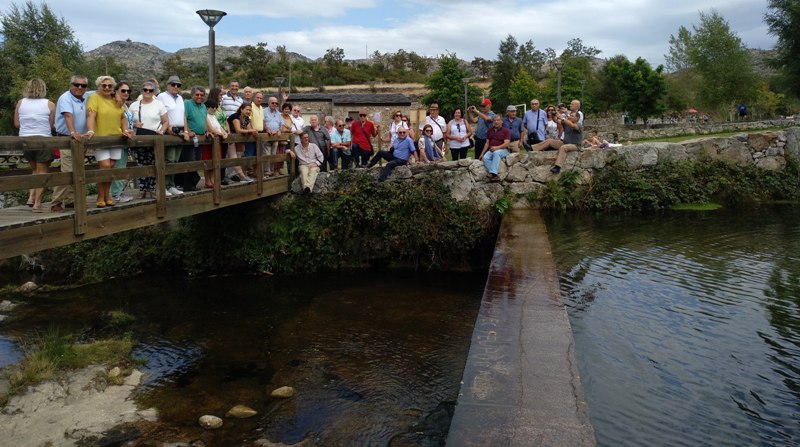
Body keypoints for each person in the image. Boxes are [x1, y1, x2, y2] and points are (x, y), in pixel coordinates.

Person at [86, 75, 133, 208]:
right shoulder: (94, 98)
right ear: (99, 86)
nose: (107, 88)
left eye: (110, 86)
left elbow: (123, 117)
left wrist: (125, 130)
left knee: (111, 167)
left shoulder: (116, 100)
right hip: (101, 139)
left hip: (116, 138)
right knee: (105, 166)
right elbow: (91, 114)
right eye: (104, 85)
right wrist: (90, 130)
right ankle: (100, 196)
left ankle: (107, 195)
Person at [14, 78, 55, 212]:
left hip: (25, 140)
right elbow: (51, 126)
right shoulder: (49, 104)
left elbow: (17, 124)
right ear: (43, 88)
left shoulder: (20, 103)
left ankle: (31, 197)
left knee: (35, 170)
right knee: (42, 172)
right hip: (43, 140)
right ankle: (37, 203)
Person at [52, 75, 90, 212]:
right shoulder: (65, 98)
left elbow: (102, 91)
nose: (79, 87)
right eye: (76, 84)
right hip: (67, 139)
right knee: (67, 171)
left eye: (83, 85)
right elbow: (68, 115)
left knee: (78, 170)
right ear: (70, 85)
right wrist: (73, 132)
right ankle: (55, 201)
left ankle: (70, 201)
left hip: (80, 140)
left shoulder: (87, 97)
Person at [129, 79, 169, 198]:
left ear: (153, 92)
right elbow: (127, 121)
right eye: (145, 90)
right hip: (140, 138)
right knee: (141, 164)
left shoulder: (159, 104)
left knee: (153, 163)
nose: (148, 92)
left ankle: (152, 188)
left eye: (150, 90)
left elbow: (166, 121)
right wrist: (135, 125)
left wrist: (162, 131)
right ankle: (142, 188)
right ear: (141, 91)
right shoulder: (134, 105)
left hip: (154, 137)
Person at [156, 75, 185, 196]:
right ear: (168, 85)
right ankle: (164, 186)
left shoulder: (180, 98)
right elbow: (160, 113)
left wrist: (186, 130)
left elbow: (183, 115)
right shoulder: (162, 96)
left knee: (176, 160)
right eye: (173, 84)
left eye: (178, 85)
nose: (176, 87)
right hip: (169, 132)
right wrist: (167, 128)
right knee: (169, 159)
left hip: (180, 132)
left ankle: (171, 185)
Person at [110, 81, 134, 203]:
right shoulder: (114, 104)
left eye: (128, 91)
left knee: (122, 165)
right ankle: (115, 194)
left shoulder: (125, 105)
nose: (126, 93)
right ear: (116, 91)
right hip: (118, 139)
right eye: (123, 90)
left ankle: (117, 192)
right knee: (118, 166)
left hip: (126, 139)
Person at [182, 86, 208, 191]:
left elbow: (205, 121)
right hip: (191, 137)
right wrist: (187, 131)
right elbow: (184, 118)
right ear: (192, 95)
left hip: (200, 138)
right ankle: (188, 186)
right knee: (190, 161)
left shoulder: (203, 107)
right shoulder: (187, 104)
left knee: (197, 161)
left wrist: (207, 131)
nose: (199, 97)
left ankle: (192, 184)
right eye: (197, 94)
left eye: (202, 95)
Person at [227, 102, 259, 182]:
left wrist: (254, 132)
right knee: (232, 157)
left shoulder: (247, 119)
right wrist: (251, 130)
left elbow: (249, 129)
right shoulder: (236, 117)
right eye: (247, 109)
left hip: (238, 140)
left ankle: (233, 175)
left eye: (250, 110)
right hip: (229, 138)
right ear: (241, 109)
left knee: (239, 156)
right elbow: (238, 130)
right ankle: (241, 176)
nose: (248, 112)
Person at [202, 98, 230, 188]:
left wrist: (225, 133)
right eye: (212, 106)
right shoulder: (205, 115)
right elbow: (211, 129)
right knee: (208, 162)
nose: (214, 108)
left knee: (216, 161)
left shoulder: (214, 116)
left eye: (215, 107)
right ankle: (207, 181)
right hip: (209, 143)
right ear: (207, 107)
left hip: (217, 143)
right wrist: (222, 134)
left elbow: (219, 127)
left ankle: (213, 180)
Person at [479, 115, 510, 182]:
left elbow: (507, 143)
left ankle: (492, 173)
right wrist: (482, 153)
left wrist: (497, 148)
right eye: (495, 120)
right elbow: (487, 143)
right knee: (485, 158)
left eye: (498, 120)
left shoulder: (505, 131)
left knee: (496, 153)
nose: (496, 122)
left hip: (503, 150)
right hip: (492, 150)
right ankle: (495, 175)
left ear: (502, 121)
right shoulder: (490, 130)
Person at [263, 96, 283, 177]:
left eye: (276, 103)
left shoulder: (278, 113)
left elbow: (281, 124)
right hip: (267, 136)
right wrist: (267, 129)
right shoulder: (264, 111)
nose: (274, 104)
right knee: (267, 154)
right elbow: (262, 121)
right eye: (272, 102)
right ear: (268, 103)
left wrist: (279, 130)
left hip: (275, 137)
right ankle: (266, 172)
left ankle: (271, 171)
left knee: (273, 154)